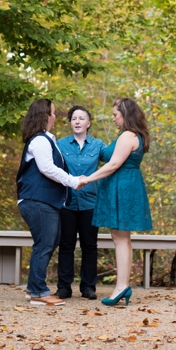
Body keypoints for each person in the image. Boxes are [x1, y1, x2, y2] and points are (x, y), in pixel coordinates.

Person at [80, 97, 153, 306]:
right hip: (125, 186)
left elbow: (113, 165)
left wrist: (88, 179)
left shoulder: (128, 135)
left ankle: (121, 286)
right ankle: (123, 285)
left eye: (115, 115)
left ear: (126, 115)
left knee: (120, 238)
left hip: (122, 187)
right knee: (122, 238)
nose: (113, 119)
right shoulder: (133, 135)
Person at [16, 99, 85, 307]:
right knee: (45, 244)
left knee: (49, 242)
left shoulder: (47, 140)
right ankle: (38, 292)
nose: (55, 116)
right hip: (37, 200)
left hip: (44, 201)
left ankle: (32, 288)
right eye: (53, 113)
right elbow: (47, 168)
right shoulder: (39, 141)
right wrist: (73, 181)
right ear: (45, 116)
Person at [55, 105, 107, 300]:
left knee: (89, 246)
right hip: (66, 203)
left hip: (90, 203)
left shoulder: (98, 145)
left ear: (88, 123)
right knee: (66, 244)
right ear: (70, 123)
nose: (77, 121)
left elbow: (113, 162)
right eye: (73, 118)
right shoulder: (60, 145)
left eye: (81, 118)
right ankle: (63, 288)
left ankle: (88, 288)